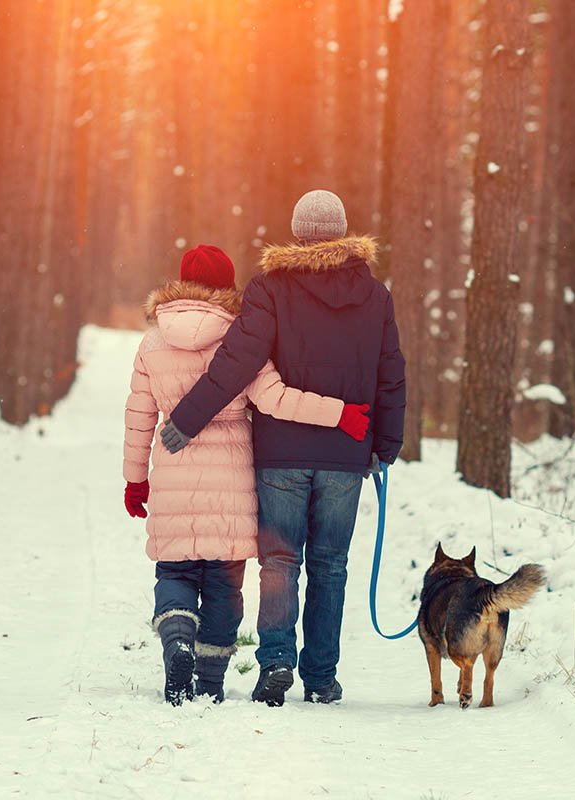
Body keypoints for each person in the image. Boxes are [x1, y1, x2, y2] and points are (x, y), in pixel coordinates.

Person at [160, 190, 406, 706]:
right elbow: (390, 376)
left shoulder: (270, 288)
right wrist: (385, 443)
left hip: (281, 453)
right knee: (330, 565)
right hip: (345, 453)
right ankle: (320, 677)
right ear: (343, 232)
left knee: (279, 562)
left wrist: (186, 418)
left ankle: (275, 663)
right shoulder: (375, 295)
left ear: (297, 233)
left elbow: (238, 360)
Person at [123, 243, 371, 705]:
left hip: (174, 476)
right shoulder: (241, 337)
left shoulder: (153, 342)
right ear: (227, 285)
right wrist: (338, 414)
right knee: (223, 584)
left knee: (174, 573)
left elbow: (139, 415)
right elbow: (277, 397)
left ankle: (177, 638)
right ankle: (211, 680)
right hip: (232, 484)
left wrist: (136, 479)